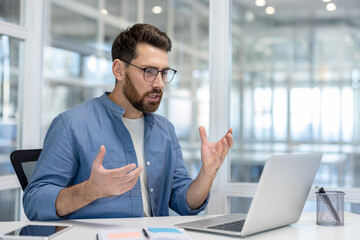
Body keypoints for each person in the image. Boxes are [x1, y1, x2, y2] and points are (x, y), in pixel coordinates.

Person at [23, 23, 233, 220]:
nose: (159, 83)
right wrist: (89, 191)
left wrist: (207, 174)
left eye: (164, 73)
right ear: (118, 70)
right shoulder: (71, 125)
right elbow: (34, 202)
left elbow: (183, 202)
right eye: (149, 71)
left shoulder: (165, 130)